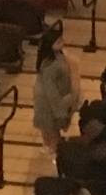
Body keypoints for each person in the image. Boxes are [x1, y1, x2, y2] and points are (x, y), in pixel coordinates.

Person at [32, 26, 78, 166]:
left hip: (55, 98)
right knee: (51, 131)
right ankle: (55, 155)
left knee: (51, 130)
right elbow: (51, 92)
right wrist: (61, 111)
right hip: (48, 103)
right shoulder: (50, 66)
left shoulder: (58, 57)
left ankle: (53, 150)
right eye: (57, 41)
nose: (61, 42)